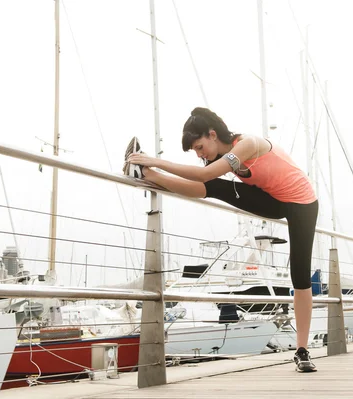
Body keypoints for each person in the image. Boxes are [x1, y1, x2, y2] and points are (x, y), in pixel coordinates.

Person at [125, 107, 319, 372]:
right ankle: (143, 175)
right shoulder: (225, 154)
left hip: (302, 203)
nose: (199, 154)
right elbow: (205, 179)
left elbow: (203, 174)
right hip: (272, 199)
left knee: (300, 275)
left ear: (213, 134)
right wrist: (151, 167)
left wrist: (154, 159)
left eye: (199, 146)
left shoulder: (247, 144)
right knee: (215, 187)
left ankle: (302, 350)